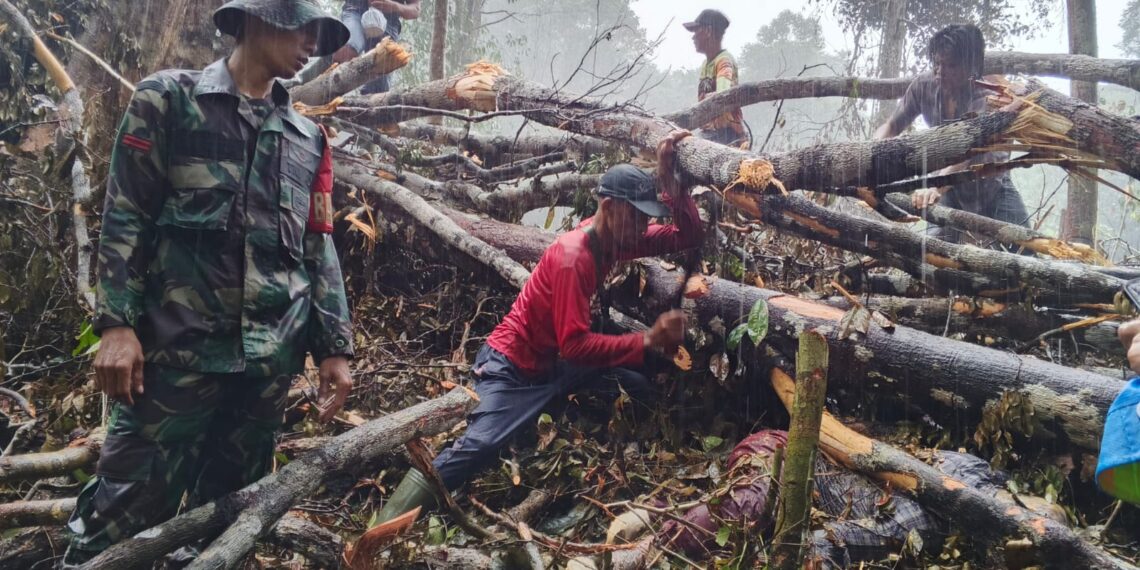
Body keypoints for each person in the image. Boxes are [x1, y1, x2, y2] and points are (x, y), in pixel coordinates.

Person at [62, 1, 355, 564]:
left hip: (264, 374)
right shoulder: (168, 100)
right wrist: (117, 325)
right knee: (120, 518)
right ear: (255, 19)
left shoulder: (307, 139)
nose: (313, 46)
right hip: (174, 361)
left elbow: (318, 248)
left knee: (227, 529)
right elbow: (126, 215)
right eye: (304, 30)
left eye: (321, 35)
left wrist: (334, 348)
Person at [372, 131, 704, 522]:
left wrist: (671, 183)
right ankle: (383, 526)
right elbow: (576, 346)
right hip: (512, 368)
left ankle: (560, 405)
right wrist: (647, 339)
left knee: (638, 389)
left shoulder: (617, 239)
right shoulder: (572, 258)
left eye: (648, 218)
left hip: (555, 365)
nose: (645, 227)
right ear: (609, 207)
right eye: (639, 216)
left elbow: (689, 235)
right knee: (480, 446)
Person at [875, 24, 1030, 247]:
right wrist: (872, 153)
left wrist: (935, 187)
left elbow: (968, 153)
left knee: (1023, 249)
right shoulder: (924, 86)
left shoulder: (989, 97)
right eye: (937, 63)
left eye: (951, 65)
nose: (940, 71)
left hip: (990, 183)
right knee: (933, 250)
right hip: (946, 185)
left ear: (972, 66)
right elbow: (891, 125)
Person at [685, 9, 747, 148]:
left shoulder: (723, 61)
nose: (693, 37)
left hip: (726, 133)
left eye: (696, 31)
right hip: (711, 132)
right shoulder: (706, 64)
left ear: (708, 31)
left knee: (686, 148)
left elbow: (722, 96)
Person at [332, 0, 421, 94]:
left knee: (378, 86)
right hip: (355, 10)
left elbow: (415, 10)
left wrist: (395, 6)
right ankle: (327, 90)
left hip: (389, 21)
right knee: (348, 50)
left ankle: (366, 104)